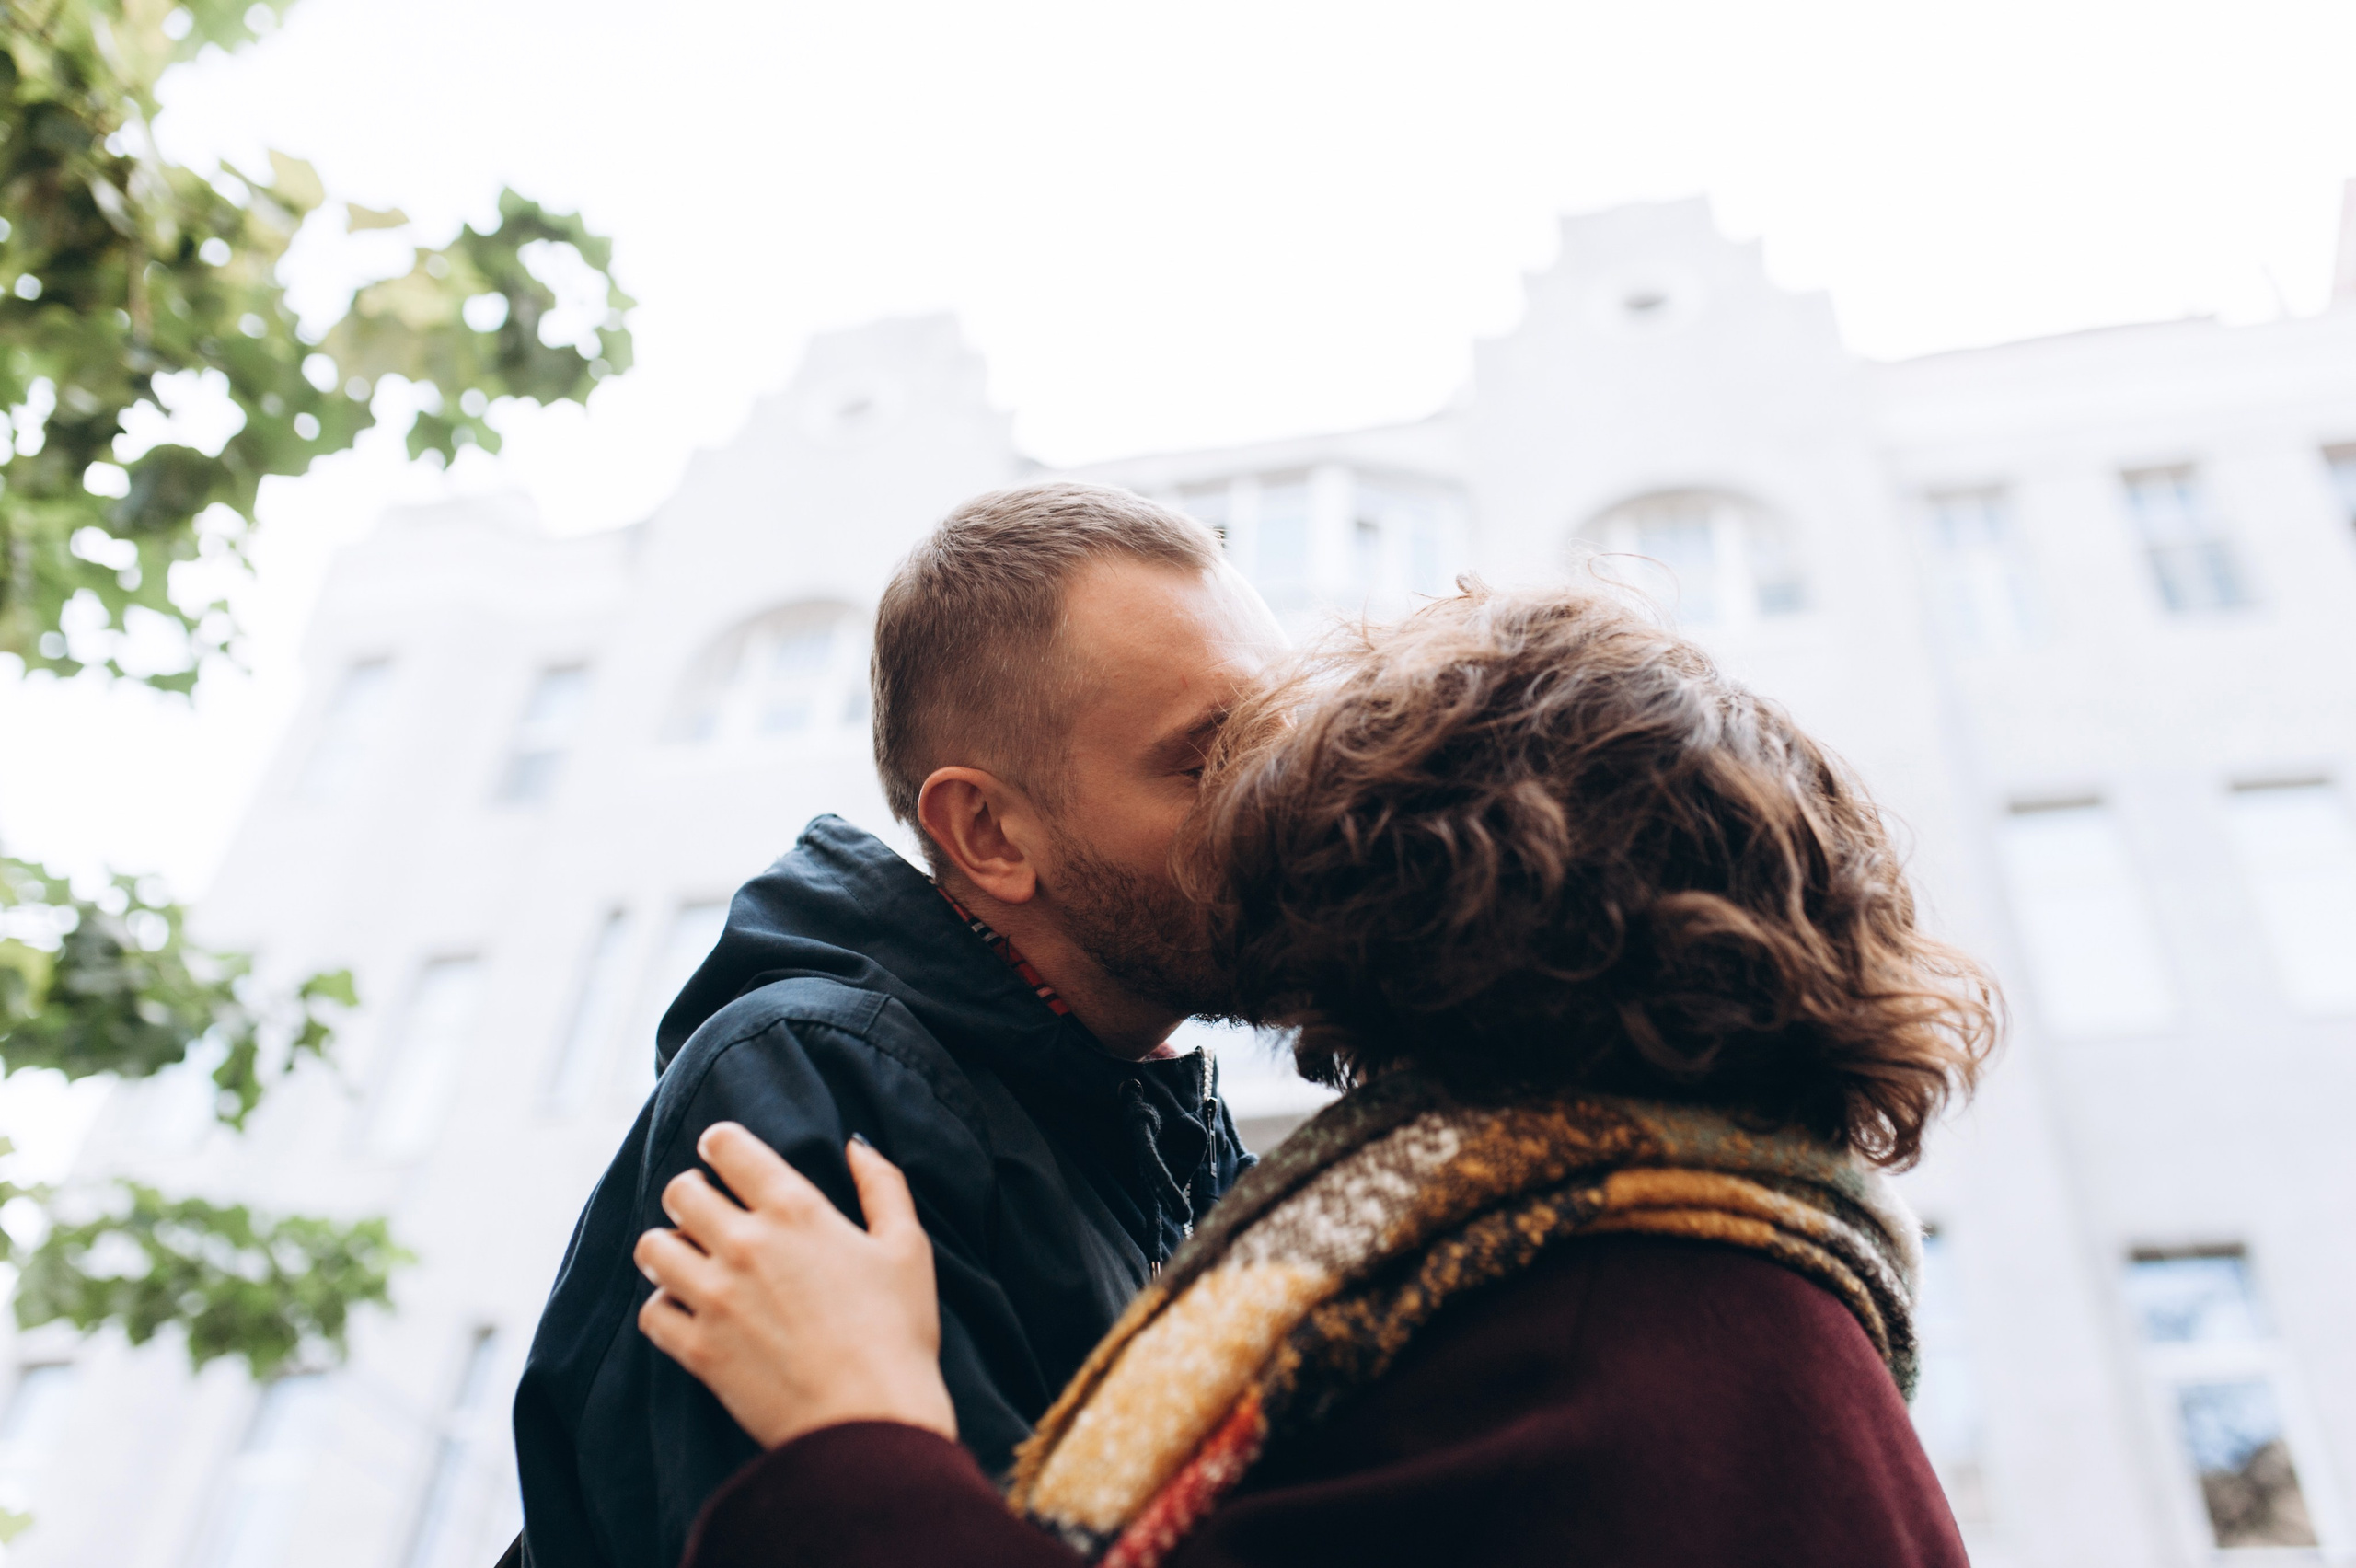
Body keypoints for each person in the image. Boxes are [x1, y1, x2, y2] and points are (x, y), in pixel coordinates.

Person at [629, 583, 2002, 1568]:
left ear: (1446, 900)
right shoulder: (1704, 1260)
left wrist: (855, 1432)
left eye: (1317, 820)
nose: (1259, 851)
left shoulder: (1598, 1322)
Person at [508, 482, 1287, 1568]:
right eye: (1209, 761)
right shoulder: (812, 1091)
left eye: (1280, 735)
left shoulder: (1171, 1141)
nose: (1283, 802)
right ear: (988, 832)